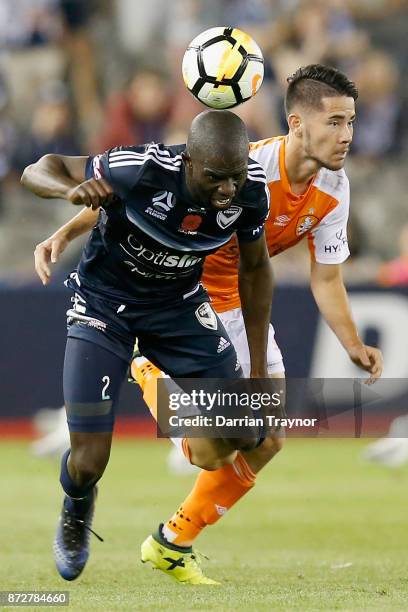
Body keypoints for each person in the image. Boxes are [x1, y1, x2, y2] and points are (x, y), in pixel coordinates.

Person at [32, 65, 384, 585]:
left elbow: (317, 277)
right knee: (146, 453)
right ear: (298, 123)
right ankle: (146, 373)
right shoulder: (249, 162)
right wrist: (69, 223)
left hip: (211, 306)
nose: (347, 134)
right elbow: (131, 191)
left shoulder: (328, 189)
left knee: (258, 437)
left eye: (352, 121)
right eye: (335, 121)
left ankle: (172, 541)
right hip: (174, 299)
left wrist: (350, 342)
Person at [21, 109, 273, 584]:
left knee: (244, 434)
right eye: (215, 178)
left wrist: (256, 369)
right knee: (89, 461)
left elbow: (256, 272)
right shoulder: (139, 167)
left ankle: (153, 378)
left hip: (179, 308)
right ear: (188, 163)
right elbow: (40, 168)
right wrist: (69, 190)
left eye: (234, 177)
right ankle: (76, 508)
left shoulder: (251, 190)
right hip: (104, 305)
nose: (226, 190)